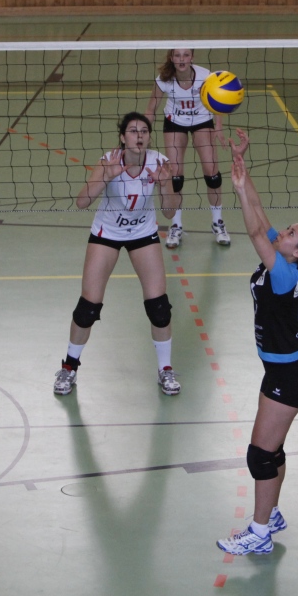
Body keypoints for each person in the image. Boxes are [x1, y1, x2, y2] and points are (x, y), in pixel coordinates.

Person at [216, 128, 298, 556]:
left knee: (260, 455)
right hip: (282, 371)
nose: (285, 231)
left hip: (290, 375)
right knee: (272, 450)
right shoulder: (286, 259)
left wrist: (240, 196)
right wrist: (242, 177)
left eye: (291, 232)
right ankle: (272, 514)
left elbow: (255, 234)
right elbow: (261, 219)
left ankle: (259, 533)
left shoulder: (283, 272)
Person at [54, 112, 181, 397]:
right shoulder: (109, 161)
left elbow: (170, 211)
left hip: (143, 233)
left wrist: (165, 184)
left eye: (144, 131)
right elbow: (82, 202)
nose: (139, 136)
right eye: (133, 131)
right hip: (107, 233)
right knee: (88, 307)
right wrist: (106, 177)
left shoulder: (159, 163)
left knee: (159, 307)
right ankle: (69, 368)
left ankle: (166, 370)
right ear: (123, 137)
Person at [145, 49, 231, 249]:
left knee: (212, 174)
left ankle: (218, 222)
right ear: (172, 58)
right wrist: (144, 132)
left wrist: (218, 127)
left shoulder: (205, 76)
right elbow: (151, 108)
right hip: (174, 122)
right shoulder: (164, 79)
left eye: (185, 55)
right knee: (175, 176)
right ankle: (176, 225)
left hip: (202, 120)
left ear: (192, 57)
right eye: (177, 55)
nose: (181, 59)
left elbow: (217, 101)